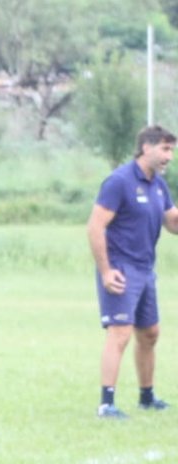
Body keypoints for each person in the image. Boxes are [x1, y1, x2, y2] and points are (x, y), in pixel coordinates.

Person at [87, 125, 178, 419]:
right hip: (120, 269)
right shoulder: (120, 181)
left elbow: (172, 222)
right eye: (165, 149)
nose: (170, 156)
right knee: (120, 333)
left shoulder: (158, 185)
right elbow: (95, 226)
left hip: (145, 269)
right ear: (146, 147)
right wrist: (106, 270)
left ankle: (147, 396)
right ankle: (106, 403)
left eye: (172, 151)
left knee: (150, 333)